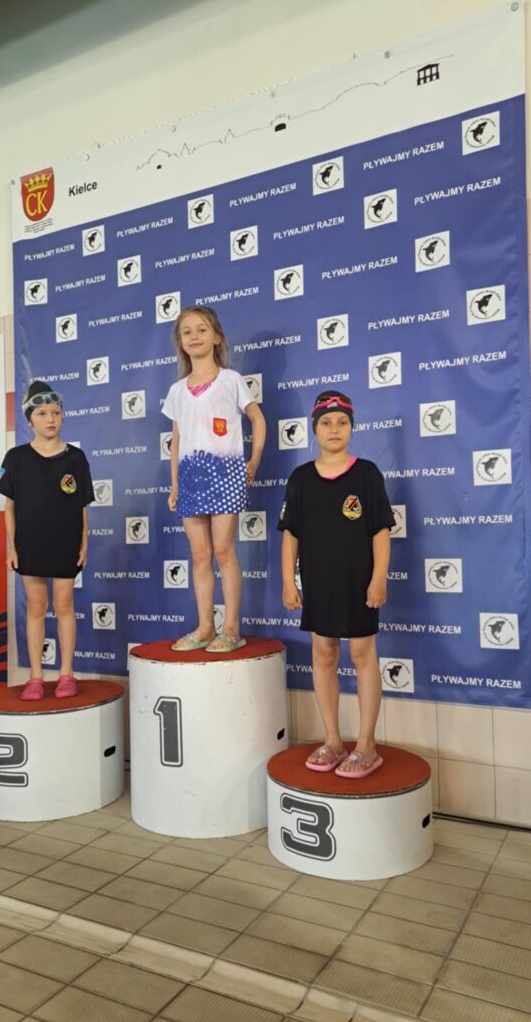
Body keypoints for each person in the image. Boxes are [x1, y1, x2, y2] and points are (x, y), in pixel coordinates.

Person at [278, 391, 394, 777]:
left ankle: (366, 745)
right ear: (314, 429)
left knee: (362, 656)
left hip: (360, 585)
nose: (334, 429)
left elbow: (381, 531)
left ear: (352, 427)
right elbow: (290, 535)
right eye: (326, 423)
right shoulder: (300, 479)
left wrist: (379, 578)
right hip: (319, 584)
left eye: (342, 422)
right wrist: (289, 582)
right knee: (324, 655)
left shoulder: (367, 474)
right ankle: (332, 740)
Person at [163, 306, 266, 653]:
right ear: (180, 342)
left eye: (202, 329)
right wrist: (175, 484)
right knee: (199, 553)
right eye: (187, 331)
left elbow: (258, 419)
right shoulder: (177, 390)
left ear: (217, 337)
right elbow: (177, 439)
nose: (194, 336)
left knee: (223, 550)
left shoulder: (231, 380)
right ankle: (206, 626)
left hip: (226, 473)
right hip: (191, 477)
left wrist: (253, 460)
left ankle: (231, 627)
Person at [0, 381, 94, 700]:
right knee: (36, 606)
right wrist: (12, 547)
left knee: (64, 605)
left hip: (65, 544)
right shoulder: (16, 458)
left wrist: (84, 543)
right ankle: (35, 676)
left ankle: (66, 674)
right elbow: (9, 508)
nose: (50, 419)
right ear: (29, 420)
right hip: (30, 545)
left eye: (56, 412)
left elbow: (82, 507)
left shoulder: (75, 458)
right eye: (41, 413)